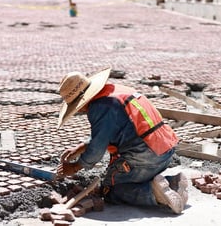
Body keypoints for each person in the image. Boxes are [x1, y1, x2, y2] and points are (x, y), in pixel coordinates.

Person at [56, 67, 188, 214]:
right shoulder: (114, 91)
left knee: (110, 189)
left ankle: (155, 194)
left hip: (147, 158)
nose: (79, 110)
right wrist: (81, 147)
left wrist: (74, 167)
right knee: (127, 177)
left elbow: (97, 150)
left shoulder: (100, 107)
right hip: (165, 151)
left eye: (77, 107)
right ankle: (173, 182)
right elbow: (108, 131)